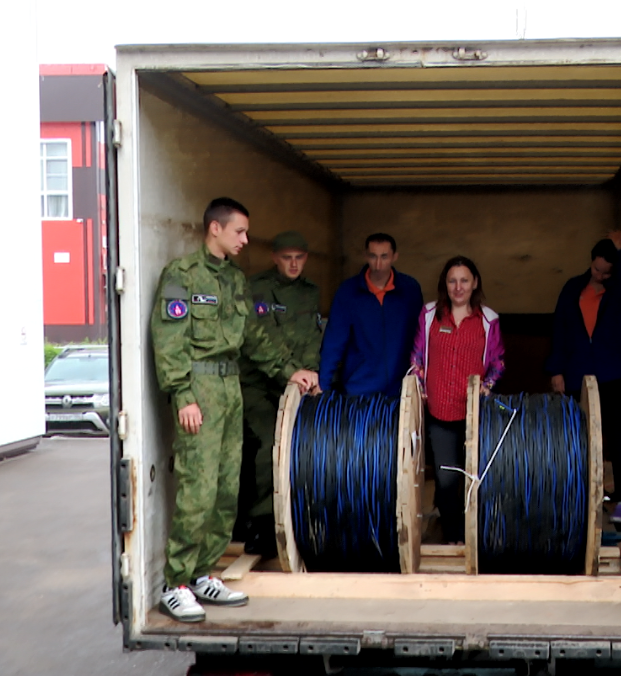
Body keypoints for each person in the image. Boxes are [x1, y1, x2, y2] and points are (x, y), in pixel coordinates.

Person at [151, 198, 317, 623]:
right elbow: (169, 340)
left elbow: (254, 337)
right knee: (198, 489)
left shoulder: (234, 280)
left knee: (226, 489)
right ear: (215, 229)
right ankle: (176, 581)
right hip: (201, 389)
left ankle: (204, 572)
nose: (245, 239)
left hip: (230, 387)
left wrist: (289, 371)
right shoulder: (182, 276)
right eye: (239, 231)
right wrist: (182, 394)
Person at [546, 230, 621, 523]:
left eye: (606, 271)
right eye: (596, 269)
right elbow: (559, 329)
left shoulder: (619, 291)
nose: (600, 275)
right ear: (590, 263)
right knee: (578, 438)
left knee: (618, 439)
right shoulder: (572, 288)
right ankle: (580, 498)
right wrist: (556, 370)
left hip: (614, 374)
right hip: (578, 374)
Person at [237, 230, 322, 558]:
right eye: (287, 258)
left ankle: (297, 519)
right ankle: (261, 525)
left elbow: (314, 334)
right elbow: (260, 339)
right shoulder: (257, 288)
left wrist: (313, 372)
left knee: (302, 449)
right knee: (268, 446)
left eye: (299, 258)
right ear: (274, 258)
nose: (294, 264)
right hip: (261, 383)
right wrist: (290, 370)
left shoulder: (310, 292)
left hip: (297, 385)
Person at [409, 257, 504, 543]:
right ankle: (454, 537)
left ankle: (476, 534)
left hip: (475, 413)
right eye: (453, 281)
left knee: (474, 475)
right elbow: (417, 356)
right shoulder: (428, 315)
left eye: (464, 280)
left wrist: (487, 386)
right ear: (445, 284)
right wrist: (421, 383)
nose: (458, 287)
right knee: (447, 478)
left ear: (475, 283)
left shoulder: (488, 320)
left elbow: (498, 362)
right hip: (440, 410)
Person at [319, 233, 424, 396]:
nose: (378, 264)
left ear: (395, 257)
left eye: (384, 257)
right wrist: (323, 386)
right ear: (365, 256)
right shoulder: (348, 292)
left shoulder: (410, 290)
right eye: (373, 256)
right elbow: (334, 342)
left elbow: (420, 339)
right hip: (359, 389)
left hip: (401, 390)